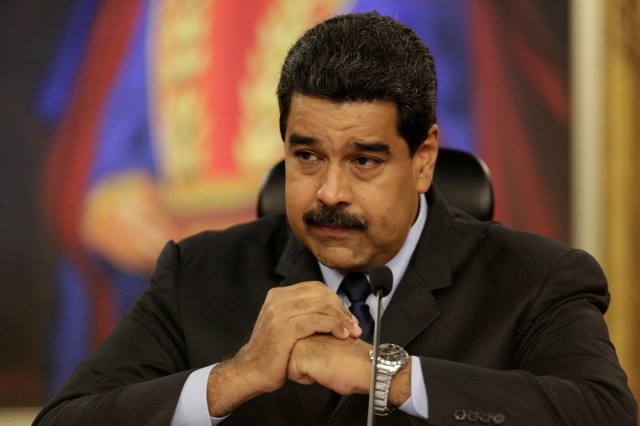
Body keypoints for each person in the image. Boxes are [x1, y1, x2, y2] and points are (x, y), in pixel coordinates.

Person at [34, 11, 637, 425]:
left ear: (423, 160)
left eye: (365, 161)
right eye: (307, 156)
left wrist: (386, 374)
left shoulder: (535, 278)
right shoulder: (198, 274)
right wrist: (233, 377)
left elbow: (604, 414)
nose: (329, 191)